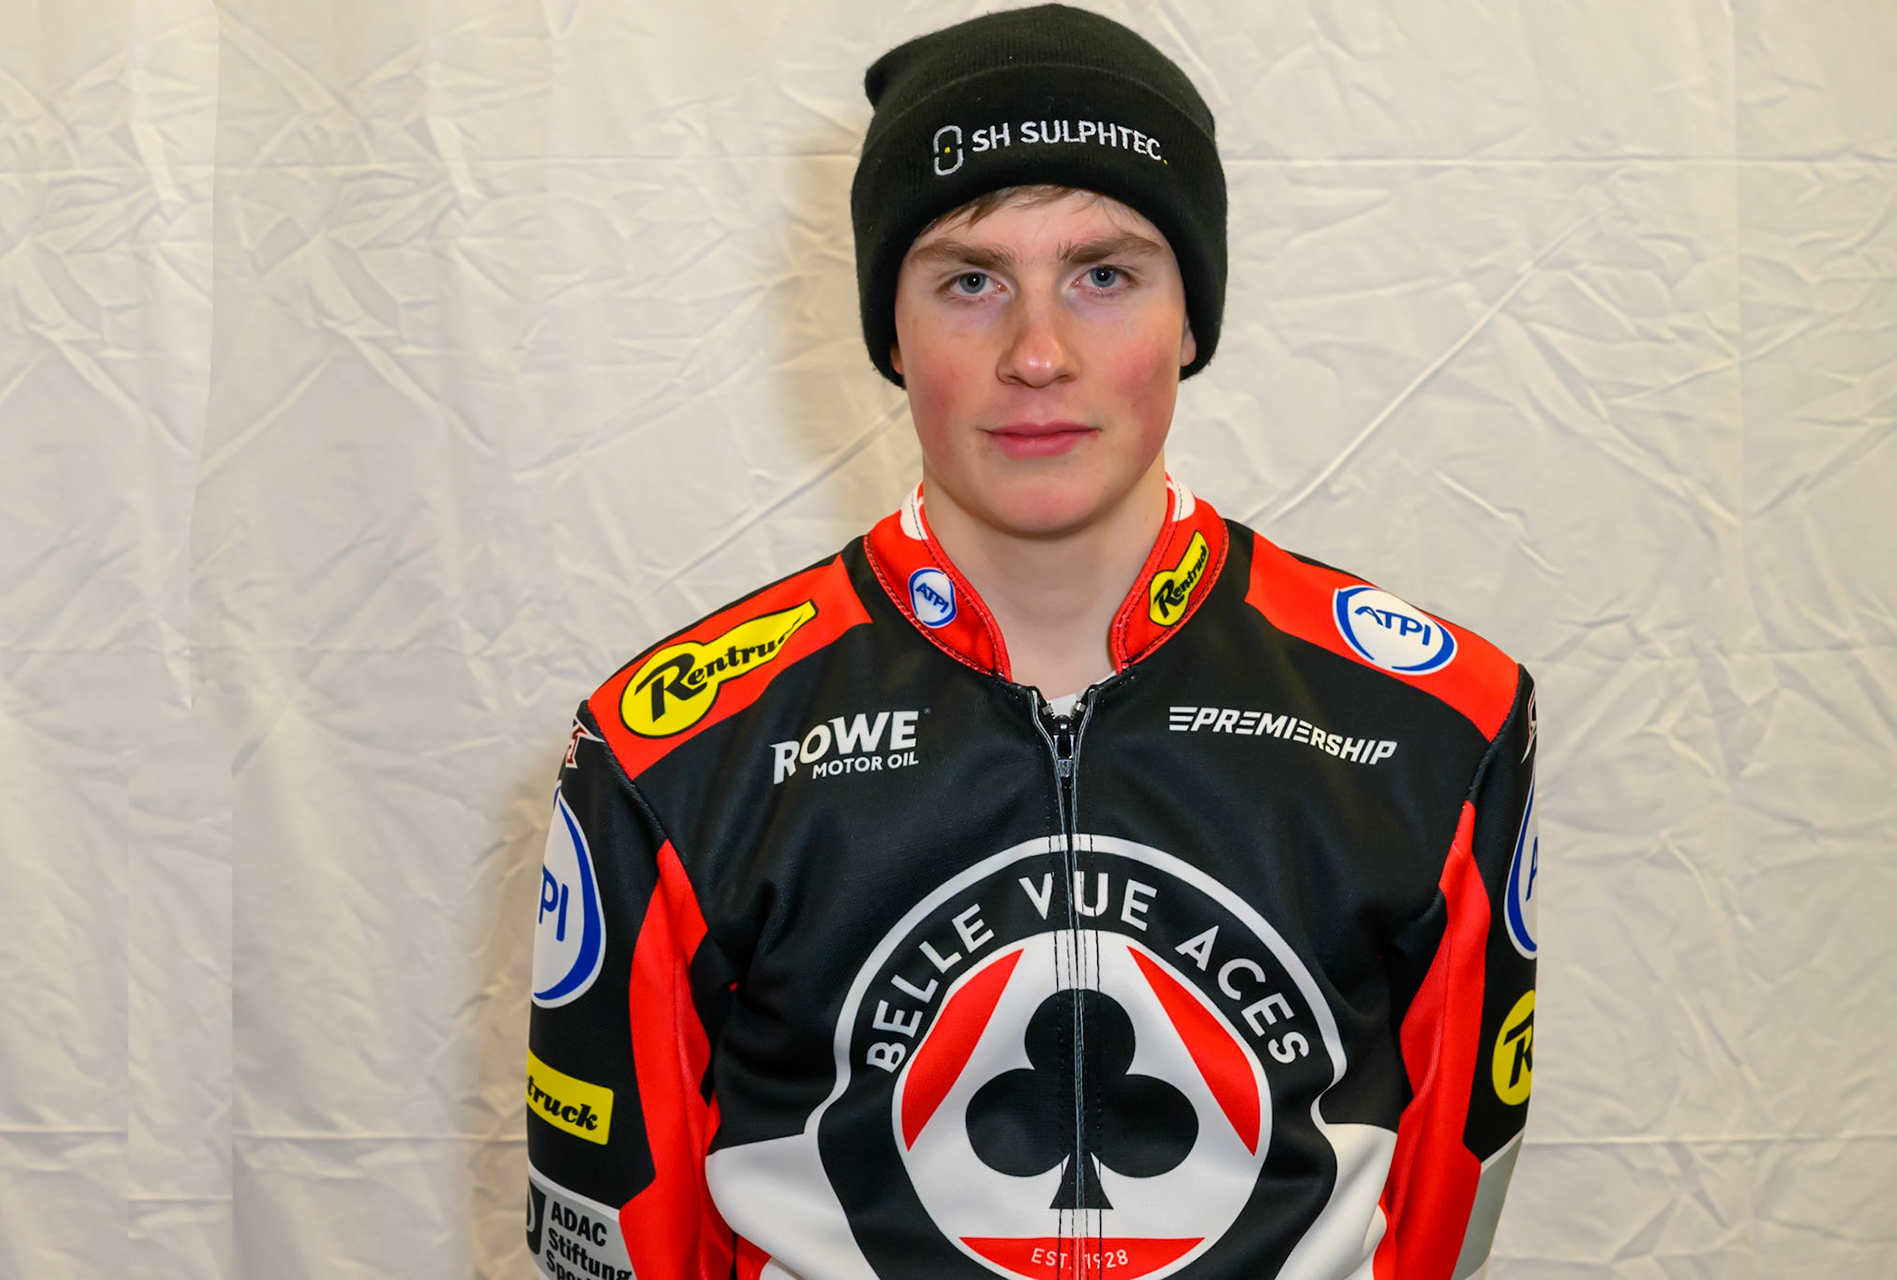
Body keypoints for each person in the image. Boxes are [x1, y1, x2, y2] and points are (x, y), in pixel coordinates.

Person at [524, 6, 1540, 1279]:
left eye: (1104, 273)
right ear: (889, 331)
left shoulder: (1440, 722)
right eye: (970, 279)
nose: (1039, 353)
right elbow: (615, 1230)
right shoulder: (668, 750)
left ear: (1192, 318)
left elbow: (1442, 1212)